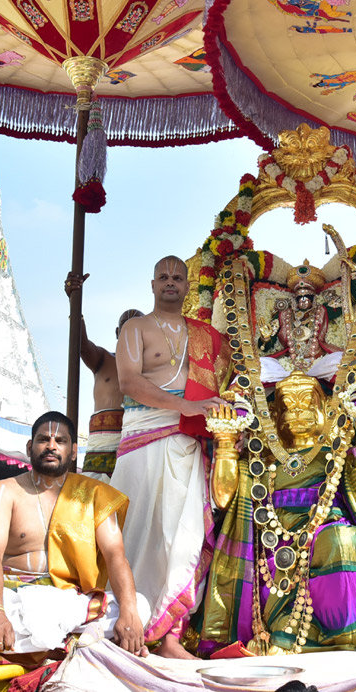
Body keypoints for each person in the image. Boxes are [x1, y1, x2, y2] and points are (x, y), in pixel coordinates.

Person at [198, 372, 356, 655]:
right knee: (272, 549)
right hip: (273, 530)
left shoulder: (337, 453)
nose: (298, 413)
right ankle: (281, 634)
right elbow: (223, 499)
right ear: (274, 416)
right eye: (289, 407)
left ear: (325, 411)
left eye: (308, 405)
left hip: (327, 524)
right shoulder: (261, 460)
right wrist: (225, 441)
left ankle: (347, 639)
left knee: (340, 541)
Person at [0, 411, 149, 657]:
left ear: (74, 451)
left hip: (70, 602)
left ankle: (42, 648)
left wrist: (130, 613)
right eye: (43, 439)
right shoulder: (4, 491)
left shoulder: (94, 495)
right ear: (29, 446)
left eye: (61, 441)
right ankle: (81, 645)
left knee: (140, 605)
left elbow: (115, 556)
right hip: (16, 598)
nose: (51, 446)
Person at [112, 256, 227, 657]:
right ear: (152, 284)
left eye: (178, 277)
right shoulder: (135, 328)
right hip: (144, 437)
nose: (170, 282)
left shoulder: (206, 336)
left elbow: (228, 379)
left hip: (187, 441)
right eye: (163, 276)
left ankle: (170, 637)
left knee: (182, 537)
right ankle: (125, 622)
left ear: (187, 285)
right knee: (136, 535)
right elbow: (128, 382)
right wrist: (187, 407)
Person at [64, 272, 142, 480]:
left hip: (136, 446)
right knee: (94, 506)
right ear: (117, 332)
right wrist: (75, 301)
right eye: (126, 328)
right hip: (101, 449)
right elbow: (81, 344)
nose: (131, 333)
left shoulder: (154, 369)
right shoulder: (103, 359)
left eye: (137, 329)